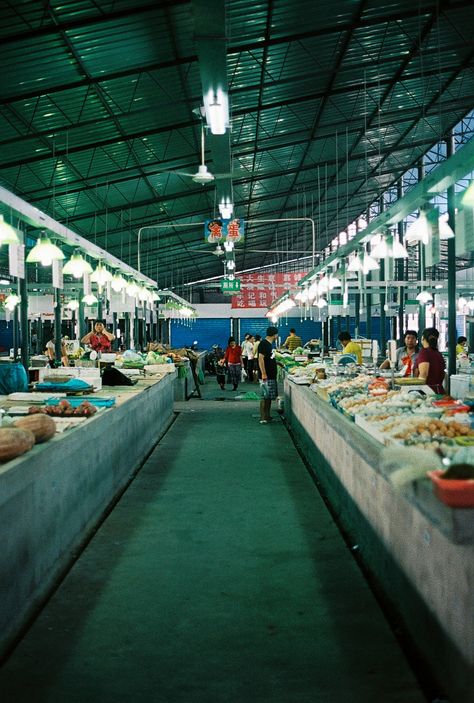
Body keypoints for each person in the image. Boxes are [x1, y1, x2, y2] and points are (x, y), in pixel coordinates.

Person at [413, 327, 445, 394]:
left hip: (428, 393)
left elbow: (423, 374)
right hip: (439, 391)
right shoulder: (438, 353)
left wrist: (416, 392)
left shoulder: (424, 352)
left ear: (423, 338)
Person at [258, 326, 279, 424]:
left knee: (269, 397)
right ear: (274, 335)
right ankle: (263, 418)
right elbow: (260, 358)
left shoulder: (269, 344)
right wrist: (263, 373)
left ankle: (268, 416)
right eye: (277, 334)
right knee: (264, 397)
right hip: (266, 376)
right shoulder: (264, 344)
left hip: (271, 375)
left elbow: (269, 358)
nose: (277, 336)